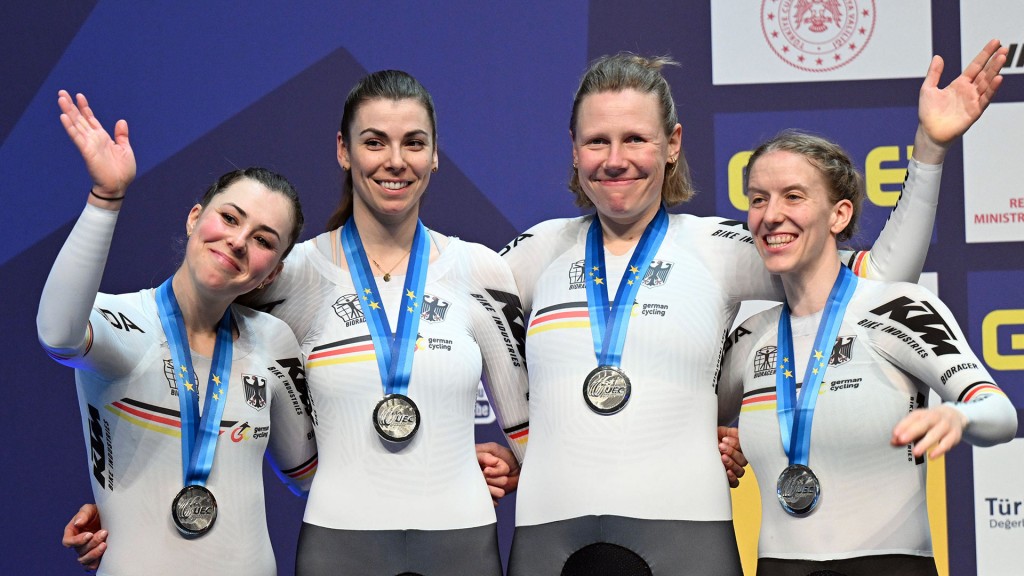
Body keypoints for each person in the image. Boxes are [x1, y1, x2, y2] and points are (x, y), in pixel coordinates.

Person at [498, 41, 1007, 575]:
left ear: (672, 144)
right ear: (574, 150)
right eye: (597, 141)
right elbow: (449, 321)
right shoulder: (537, 251)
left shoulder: (719, 248)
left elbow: (874, 285)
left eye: (635, 139)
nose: (616, 158)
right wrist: (519, 444)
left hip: (686, 536)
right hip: (551, 535)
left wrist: (928, 152)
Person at [61, 71, 531, 576]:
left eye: (414, 143)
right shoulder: (284, 274)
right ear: (343, 150)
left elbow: (539, 435)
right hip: (338, 545)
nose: (395, 161)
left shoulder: (480, 270)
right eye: (374, 142)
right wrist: (124, 512)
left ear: (436, 153)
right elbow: (186, 368)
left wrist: (502, 460)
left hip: (462, 541)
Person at [39, 91, 318, 575]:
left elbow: (316, 474)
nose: (237, 240)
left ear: (270, 273)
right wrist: (106, 198)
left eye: (263, 240)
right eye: (229, 218)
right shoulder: (124, 323)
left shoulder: (274, 341)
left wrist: (461, 456)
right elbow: (58, 334)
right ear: (195, 219)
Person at [716, 130, 1017, 576]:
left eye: (793, 196)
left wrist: (960, 417)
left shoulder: (900, 308)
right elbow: (681, 429)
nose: (771, 215)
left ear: (839, 215)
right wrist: (711, 445)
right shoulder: (749, 339)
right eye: (758, 199)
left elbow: (1001, 414)